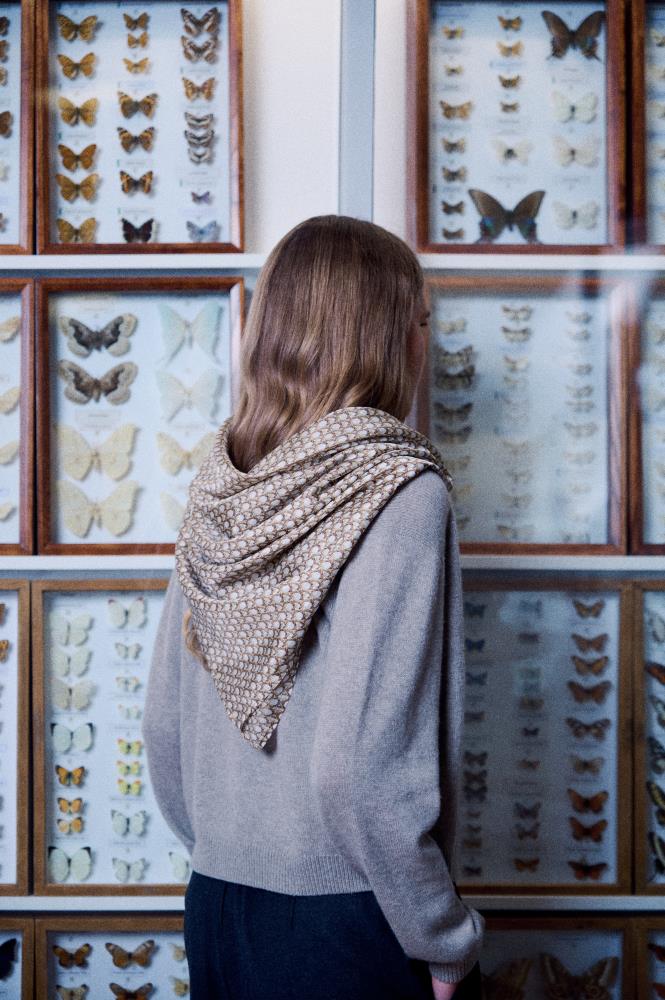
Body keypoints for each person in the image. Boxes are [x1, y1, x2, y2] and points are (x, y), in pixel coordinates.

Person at [142, 214, 485, 1000]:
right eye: (421, 321)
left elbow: (164, 729)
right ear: (386, 335)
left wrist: (234, 848)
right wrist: (441, 937)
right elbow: (360, 769)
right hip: (347, 917)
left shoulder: (222, 482)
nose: (426, 343)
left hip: (219, 903)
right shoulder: (399, 491)